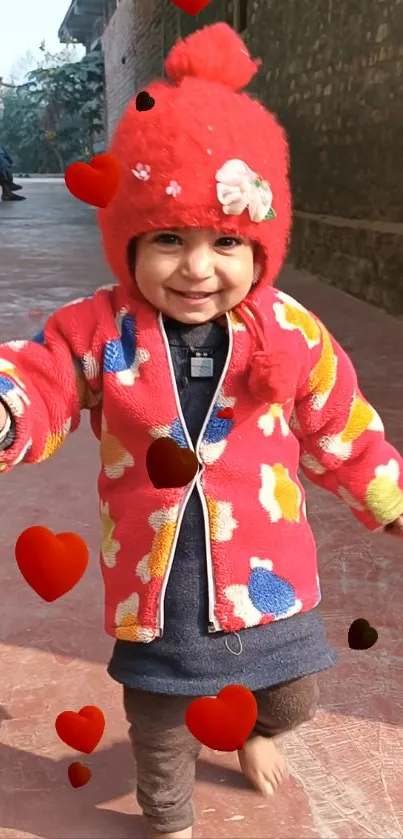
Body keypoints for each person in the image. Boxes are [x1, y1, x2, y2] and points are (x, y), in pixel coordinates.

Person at [0, 23, 402, 839]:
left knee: (294, 693)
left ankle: (256, 727)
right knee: (159, 718)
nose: (196, 268)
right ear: (130, 243)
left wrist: (387, 497)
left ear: (259, 247)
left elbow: (338, 423)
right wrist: (9, 406)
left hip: (269, 568)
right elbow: (42, 377)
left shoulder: (287, 332)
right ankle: (171, 821)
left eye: (226, 242)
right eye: (168, 241)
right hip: (155, 586)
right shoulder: (100, 330)